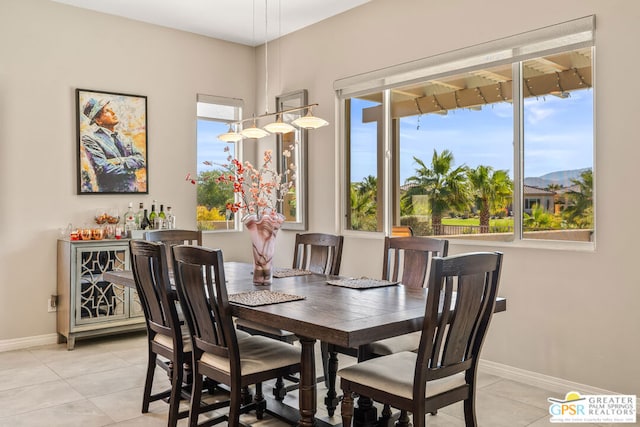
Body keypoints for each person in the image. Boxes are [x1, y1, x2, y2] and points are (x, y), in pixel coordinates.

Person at [81, 98, 146, 192]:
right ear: (98, 120)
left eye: (111, 109)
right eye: (107, 111)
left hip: (133, 192)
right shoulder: (91, 139)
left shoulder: (124, 138)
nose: (113, 112)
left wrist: (119, 160)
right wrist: (132, 166)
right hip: (110, 193)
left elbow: (141, 160)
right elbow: (103, 169)